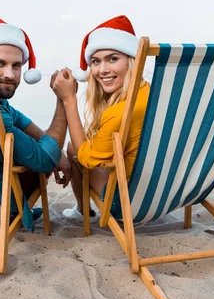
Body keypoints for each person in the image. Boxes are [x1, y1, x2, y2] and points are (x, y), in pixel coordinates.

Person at [0, 18, 71, 229]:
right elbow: (45, 160)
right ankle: (14, 211)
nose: (9, 74)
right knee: (39, 164)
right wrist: (64, 100)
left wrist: (60, 156)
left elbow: (19, 120)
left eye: (16, 66)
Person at [51, 15, 149, 221]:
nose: (102, 70)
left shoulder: (119, 113)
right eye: (96, 61)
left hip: (128, 202)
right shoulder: (151, 94)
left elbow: (87, 158)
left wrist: (69, 100)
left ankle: (82, 210)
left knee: (73, 148)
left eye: (113, 59)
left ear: (132, 60)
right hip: (164, 193)